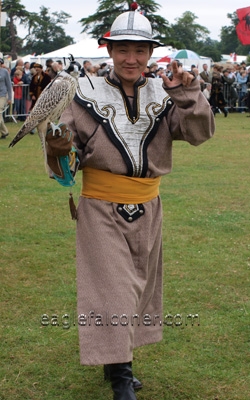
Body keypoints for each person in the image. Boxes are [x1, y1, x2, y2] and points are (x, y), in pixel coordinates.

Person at [45, 11, 215, 400]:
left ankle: (114, 360)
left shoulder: (164, 92)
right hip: (100, 205)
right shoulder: (83, 92)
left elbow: (199, 133)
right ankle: (122, 377)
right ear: (109, 49)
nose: (131, 59)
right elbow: (64, 154)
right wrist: (59, 147)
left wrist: (188, 94)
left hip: (149, 206)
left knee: (138, 288)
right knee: (113, 289)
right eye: (123, 49)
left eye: (140, 50)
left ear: (150, 53)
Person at [0, 58, 12, 139]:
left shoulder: (5, 72)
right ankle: (5, 132)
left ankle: (4, 132)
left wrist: (10, 98)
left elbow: (9, 85)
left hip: (2, 95)